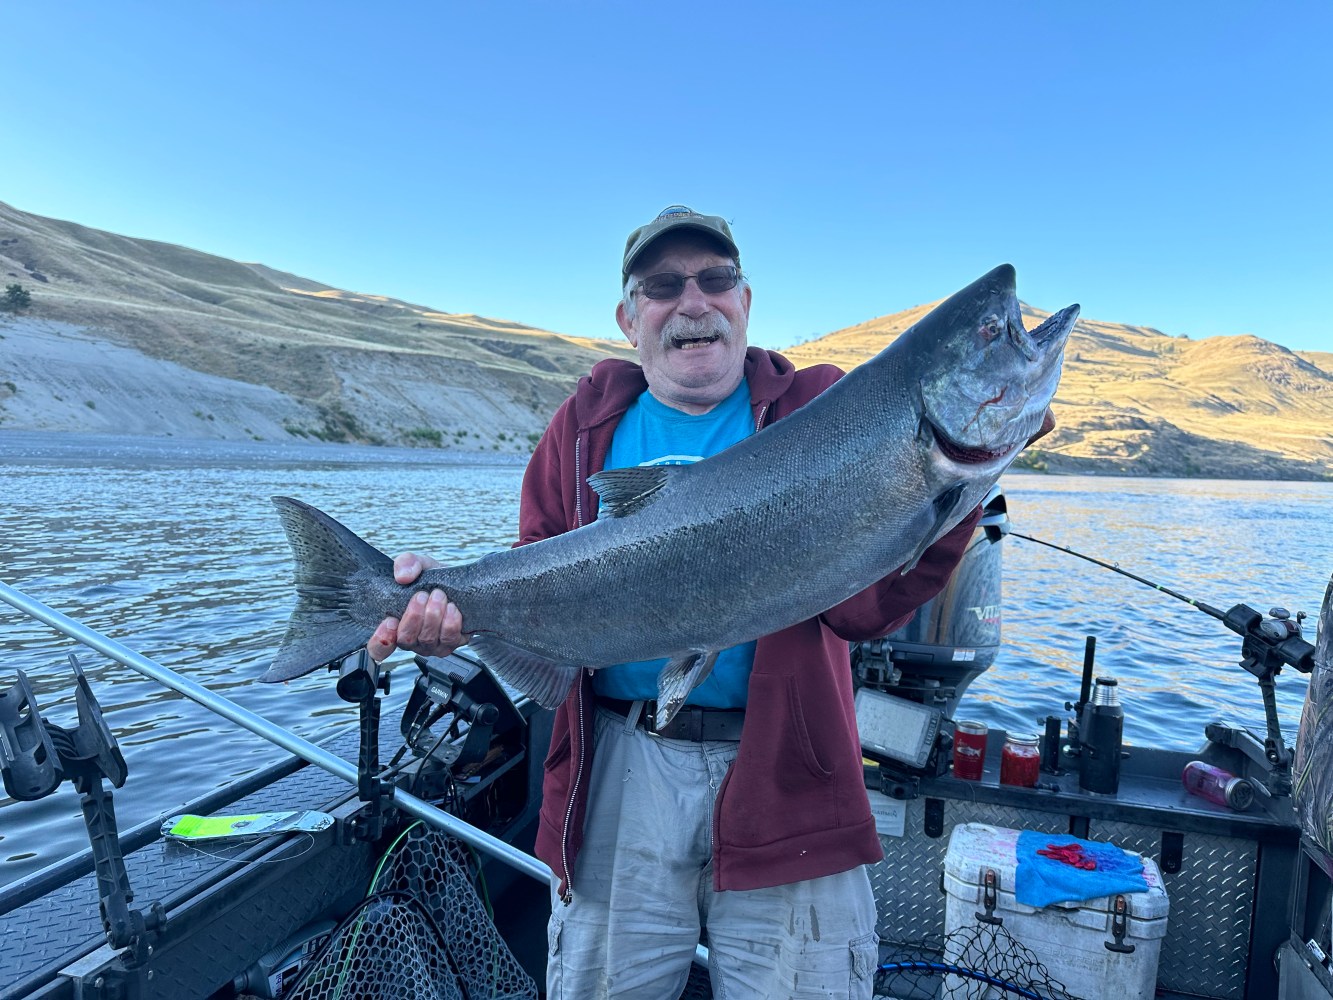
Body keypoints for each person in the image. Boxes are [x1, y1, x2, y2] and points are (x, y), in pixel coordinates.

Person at [368, 205, 988, 999]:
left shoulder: (824, 409)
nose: (692, 300)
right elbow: (532, 566)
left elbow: (862, 614)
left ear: (745, 302)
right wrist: (445, 612)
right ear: (629, 320)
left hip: (788, 771)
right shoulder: (582, 423)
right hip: (616, 771)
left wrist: (955, 485)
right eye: (662, 286)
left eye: (714, 279)